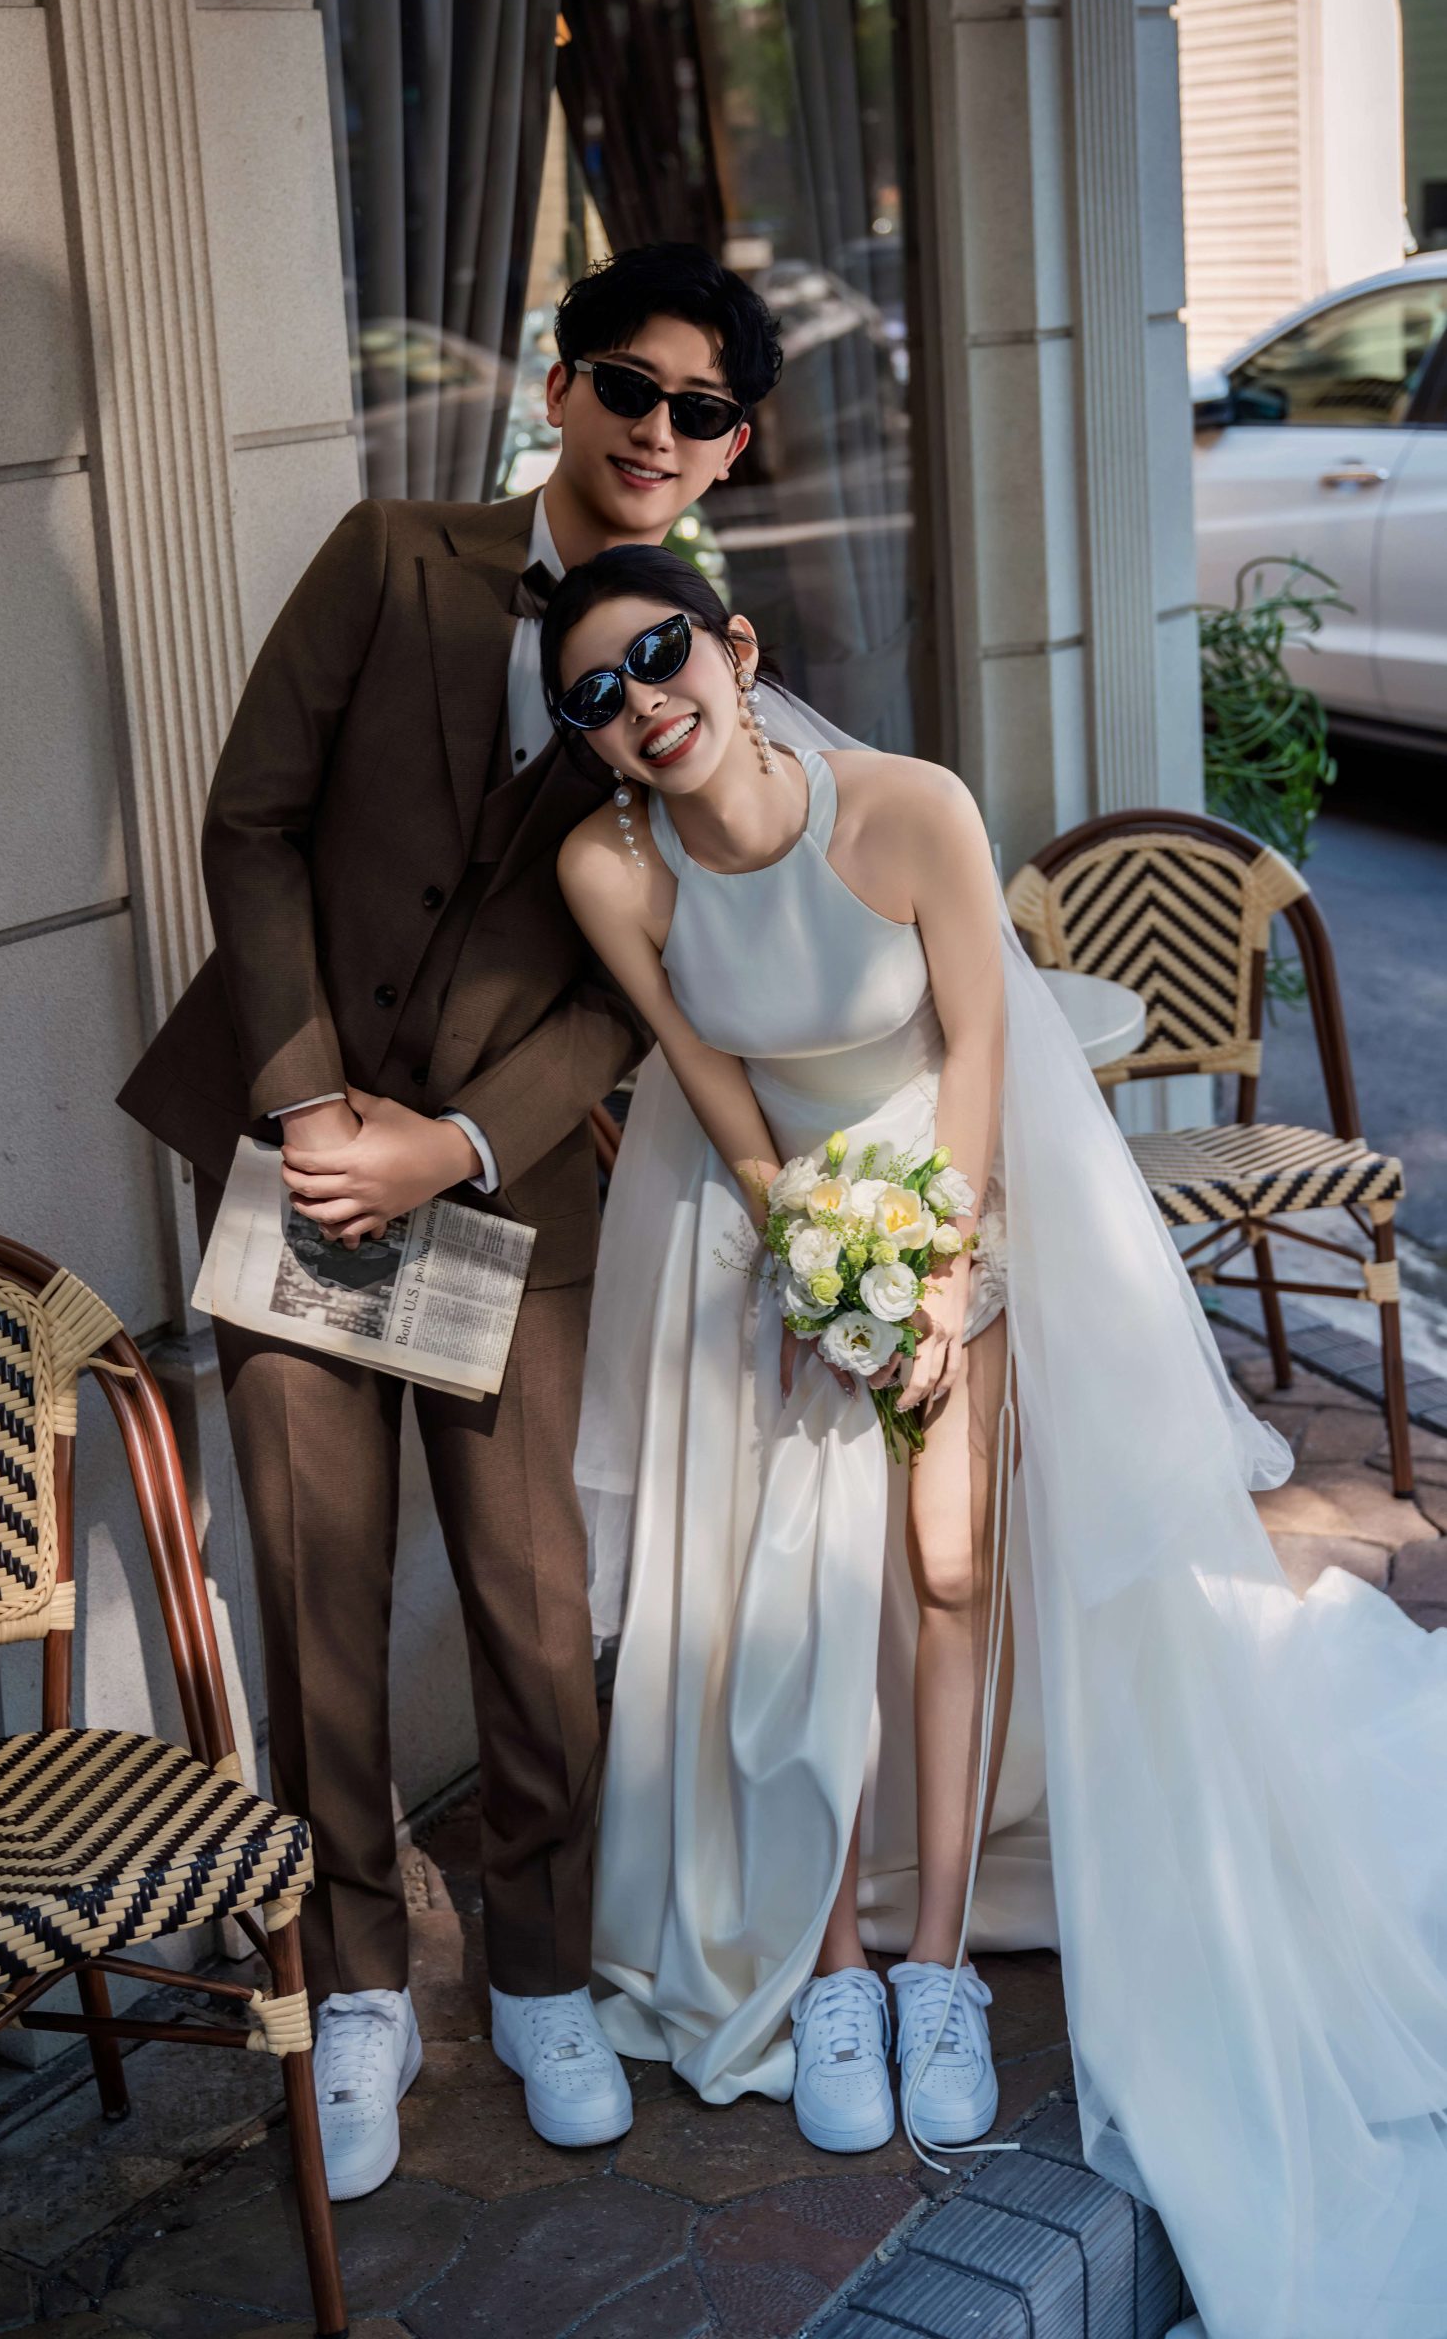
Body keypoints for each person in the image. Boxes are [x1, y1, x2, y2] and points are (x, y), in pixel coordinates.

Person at [541, 540, 1447, 2339]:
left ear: (734, 647)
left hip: (955, 1202)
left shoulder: (909, 810)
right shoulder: (609, 869)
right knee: (785, 1589)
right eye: (595, 696)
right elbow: (706, 1079)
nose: (641, 704)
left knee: (947, 1565)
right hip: (770, 1228)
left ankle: (937, 1958)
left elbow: (976, 1048)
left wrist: (937, 1267)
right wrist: (807, 1252)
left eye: (660, 658)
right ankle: (830, 1966)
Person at [117, 245, 782, 2201]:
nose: (655, 429)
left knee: (533, 1604)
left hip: (508, 1193)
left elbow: (653, 979)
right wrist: (311, 1100)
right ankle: (353, 1988)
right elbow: (249, 820)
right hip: (297, 1158)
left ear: (729, 450)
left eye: (698, 411)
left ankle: (541, 1971)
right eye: (627, 385)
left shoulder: (692, 663)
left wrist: (461, 1144)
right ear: (560, 389)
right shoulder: (393, 557)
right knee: (313, 1584)